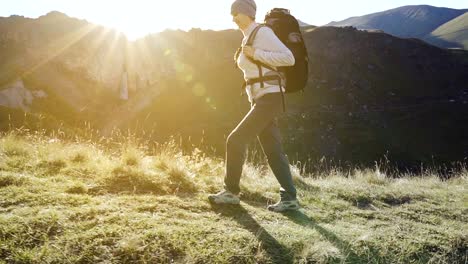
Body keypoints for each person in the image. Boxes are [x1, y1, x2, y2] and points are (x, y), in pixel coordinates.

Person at [208, 0, 300, 212]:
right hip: (260, 98)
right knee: (273, 149)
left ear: (248, 13)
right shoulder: (247, 37)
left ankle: (230, 192)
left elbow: (289, 58)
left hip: (271, 96)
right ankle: (290, 198)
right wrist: (248, 53)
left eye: (236, 13)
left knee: (236, 140)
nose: (233, 18)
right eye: (231, 14)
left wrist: (255, 54)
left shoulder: (262, 32)